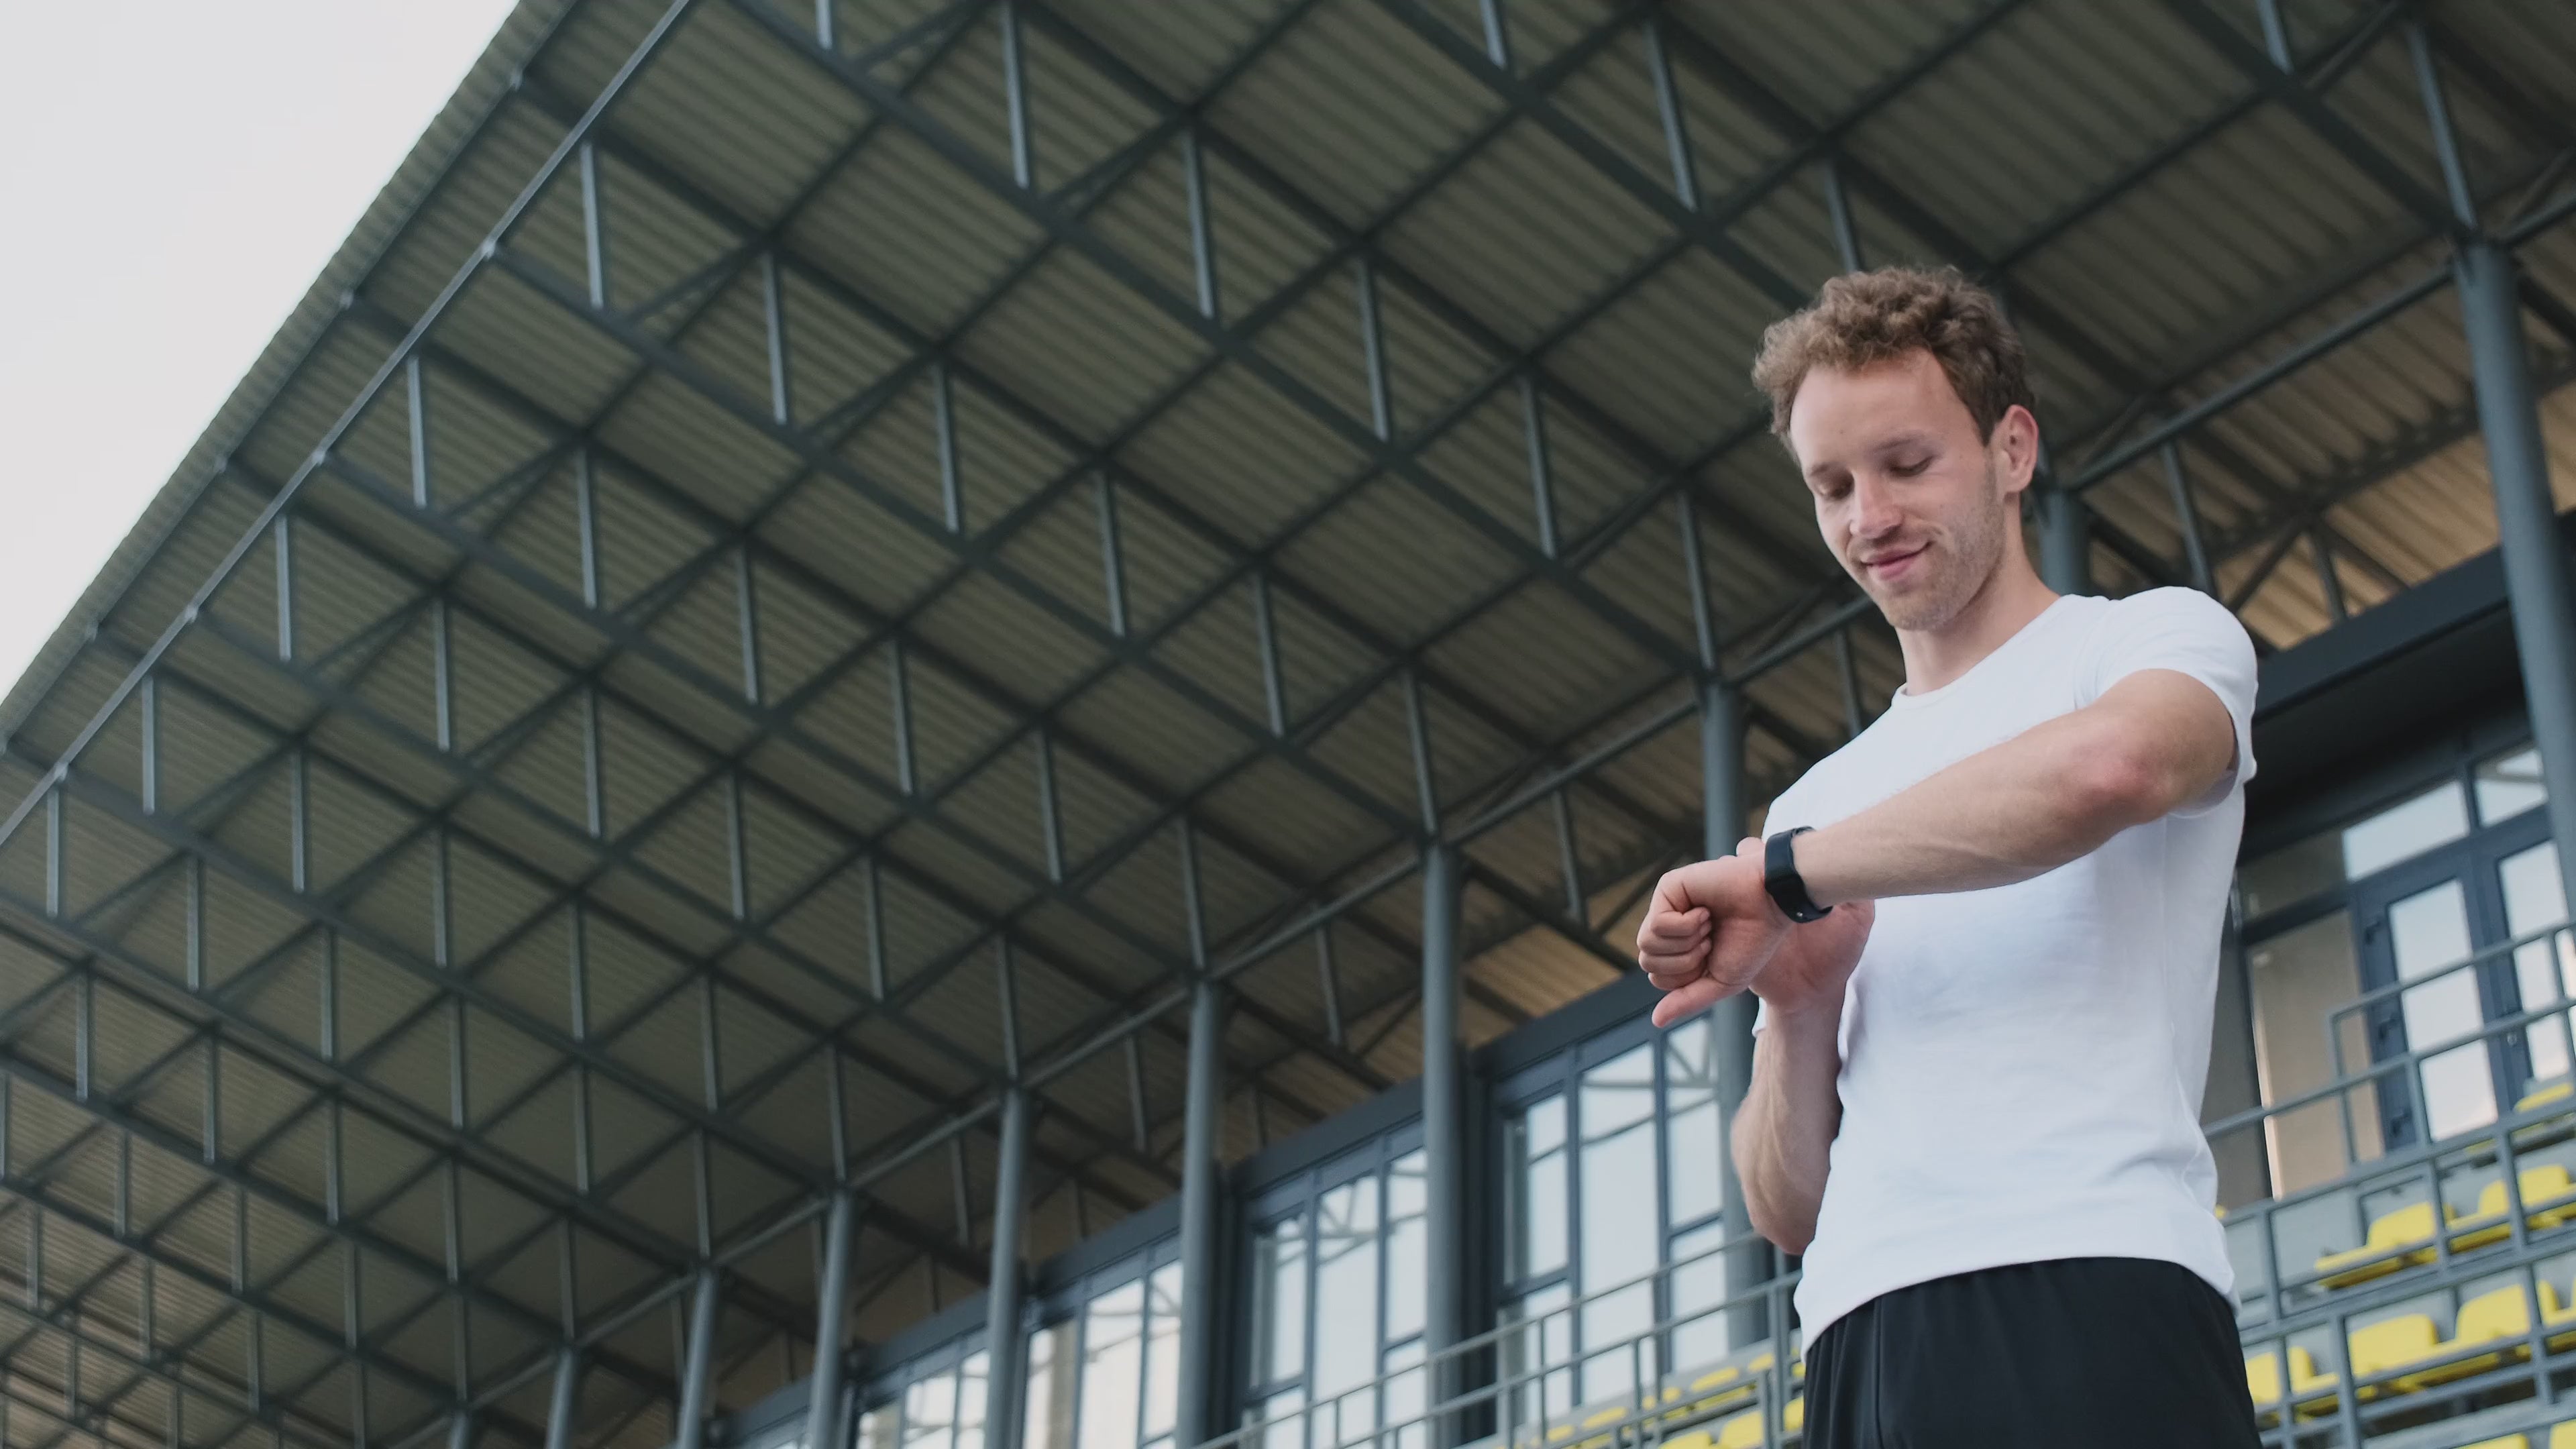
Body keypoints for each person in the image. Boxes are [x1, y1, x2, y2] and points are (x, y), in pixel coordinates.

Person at [1633, 266, 2263, 1446]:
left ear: (2012, 450)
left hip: (2091, 1279)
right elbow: (1786, 1210)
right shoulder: (1815, 803)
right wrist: (1803, 1007)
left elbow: (2107, 774)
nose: (1867, 516)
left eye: (1906, 465)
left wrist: (1791, 874)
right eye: (1831, 485)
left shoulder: (2147, 643)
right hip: (1859, 1345)